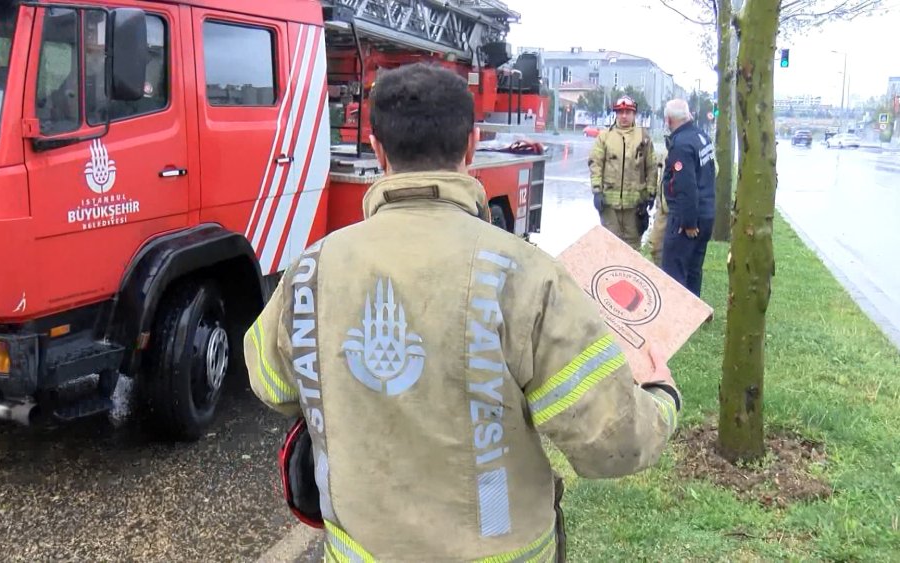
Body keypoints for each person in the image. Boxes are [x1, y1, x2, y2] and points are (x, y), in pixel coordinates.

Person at [244, 63, 681, 562]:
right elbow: (612, 441)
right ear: (471, 146)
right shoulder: (528, 275)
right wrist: (662, 397)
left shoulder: (311, 270)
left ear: (377, 148)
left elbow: (271, 384)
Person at [660, 98, 716, 297]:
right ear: (688, 115)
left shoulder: (681, 145)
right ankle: (695, 311)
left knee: (674, 274)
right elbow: (710, 175)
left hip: (687, 219)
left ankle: (678, 314)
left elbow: (686, 186)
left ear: (668, 120)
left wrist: (688, 223)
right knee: (694, 271)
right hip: (706, 213)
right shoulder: (701, 137)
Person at [588, 96, 657, 251]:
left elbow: (651, 167)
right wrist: (597, 191)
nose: (624, 116)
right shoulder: (604, 137)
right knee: (610, 246)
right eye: (620, 112)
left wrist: (651, 193)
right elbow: (595, 163)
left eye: (628, 112)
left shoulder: (643, 137)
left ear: (634, 114)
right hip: (609, 206)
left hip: (635, 206)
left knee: (632, 249)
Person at [647, 132, 672, 266]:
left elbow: (712, 169)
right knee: (656, 247)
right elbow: (658, 176)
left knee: (677, 253)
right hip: (662, 209)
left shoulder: (693, 143)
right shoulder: (665, 152)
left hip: (680, 210)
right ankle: (661, 274)